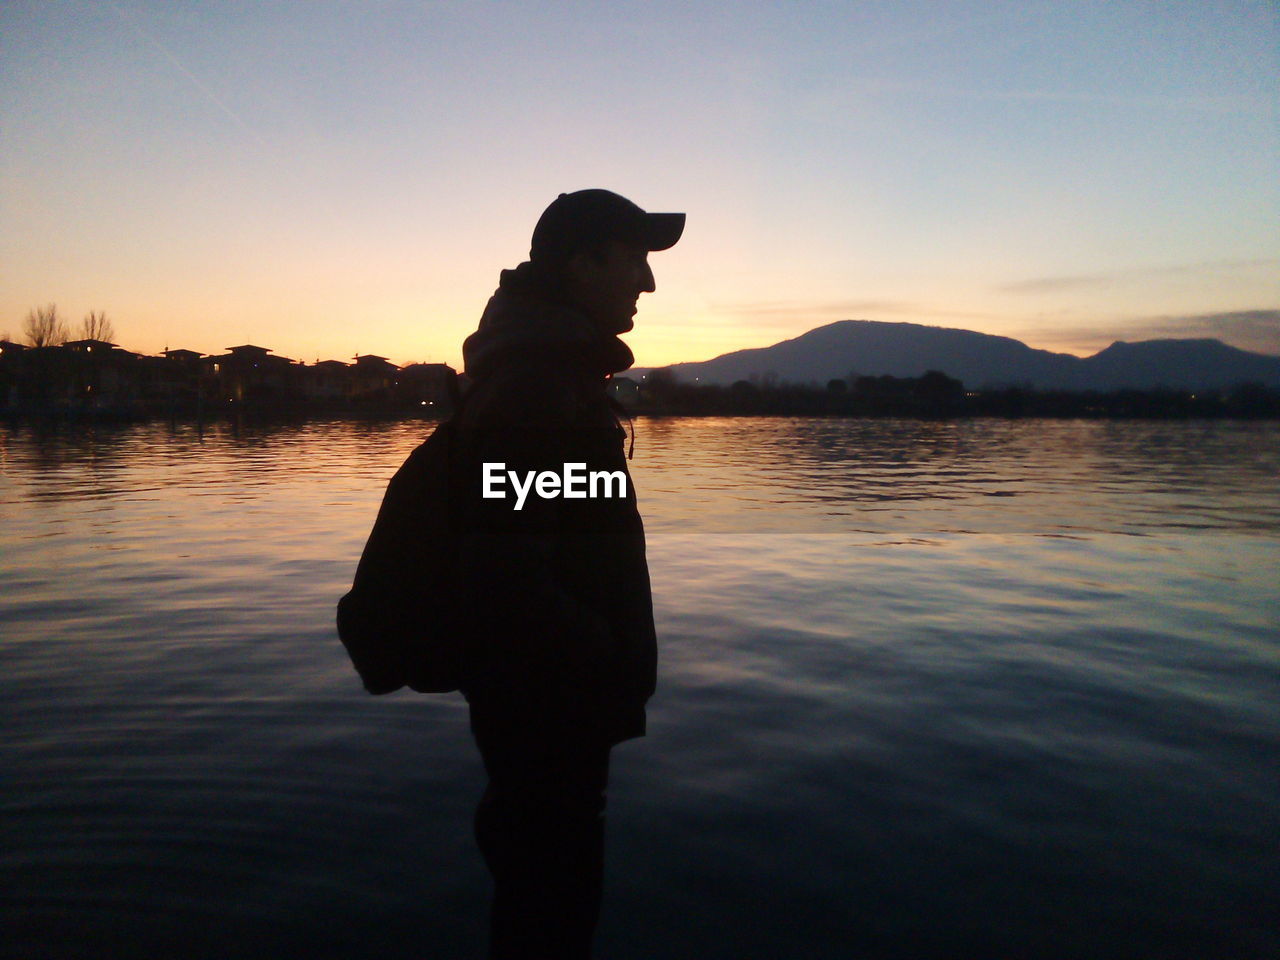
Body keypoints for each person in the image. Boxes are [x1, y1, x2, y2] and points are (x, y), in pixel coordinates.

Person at [451, 189, 684, 959]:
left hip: (548, 704)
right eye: (637, 259)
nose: (647, 283)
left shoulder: (550, 376)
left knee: (539, 900)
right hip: (549, 709)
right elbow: (504, 571)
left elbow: (539, 534)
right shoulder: (535, 388)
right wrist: (601, 656)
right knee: (549, 909)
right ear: (584, 264)